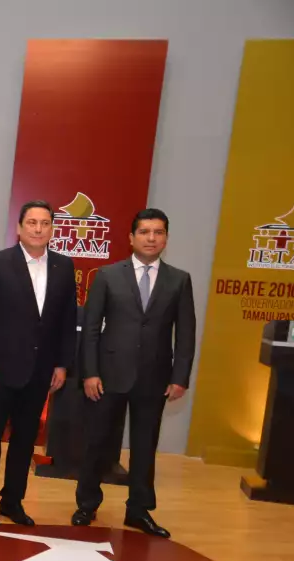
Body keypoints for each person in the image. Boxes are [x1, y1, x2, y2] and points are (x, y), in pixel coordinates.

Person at [72, 209, 196, 538]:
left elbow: (185, 333)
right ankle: (87, 504)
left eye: (158, 232)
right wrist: (90, 372)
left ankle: (139, 511)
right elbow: (91, 331)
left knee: (144, 447)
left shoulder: (179, 280)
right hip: (108, 375)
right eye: (144, 231)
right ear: (131, 238)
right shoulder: (108, 275)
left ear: (166, 238)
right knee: (97, 443)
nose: (151, 238)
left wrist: (180, 376)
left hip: (154, 379)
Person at [0, 200, 76, 526]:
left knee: (24, 440)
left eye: (45, 223)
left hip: (39, 371)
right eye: (32, 222)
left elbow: (66, 319)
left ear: (52, 229)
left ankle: (12, 501)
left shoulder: (63, 266)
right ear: (19, 228)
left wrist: (61, 364)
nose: (38, 229)